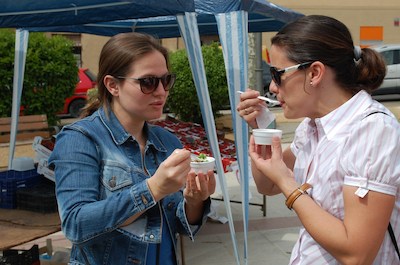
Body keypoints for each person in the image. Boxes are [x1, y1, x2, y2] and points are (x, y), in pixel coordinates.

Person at [237, 15, 400, 264]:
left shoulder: (371, 130)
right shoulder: (312, 126)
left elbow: (356, 253)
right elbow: (268, 186)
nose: (271, 86)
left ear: (314, 73)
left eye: (277, 73)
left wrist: (288, 182)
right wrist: (263, 128)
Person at [49, 32, 215, 265]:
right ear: (112, 85)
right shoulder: (80, 139)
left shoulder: (168, 142)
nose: (161, 91)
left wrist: (195, 200)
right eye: (148, 82)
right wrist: (153, 188)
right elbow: (76, 224)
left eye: (166, 80)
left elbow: (177, 224)